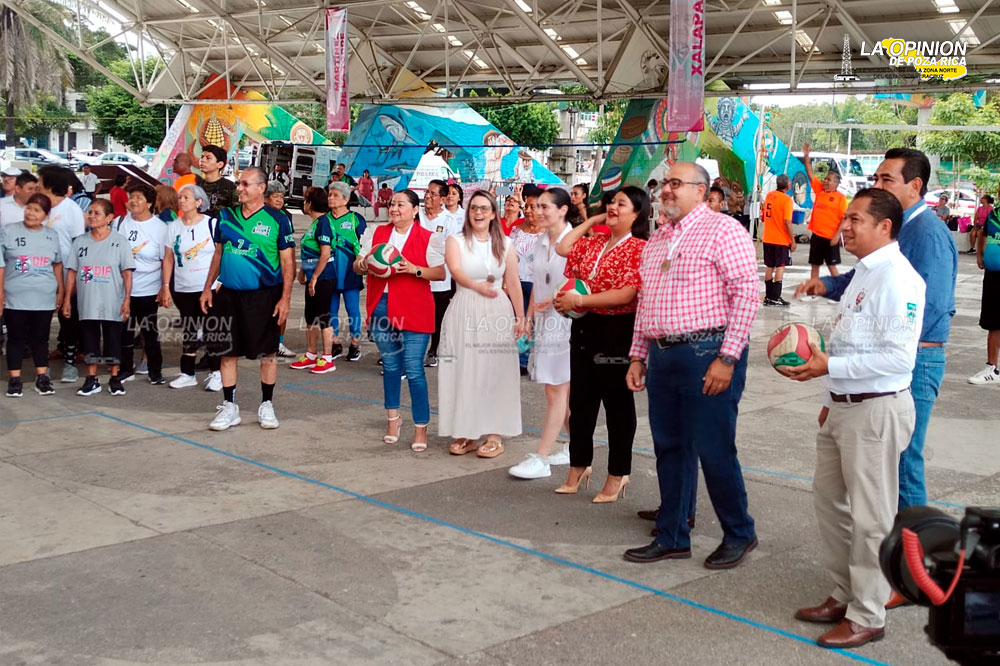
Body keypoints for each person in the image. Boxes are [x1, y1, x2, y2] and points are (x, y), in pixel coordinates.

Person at [787, 189, 924, 649]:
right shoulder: (864, 274)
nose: (845, 227)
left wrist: (832, 369)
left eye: (856, 220)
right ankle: (846, 593)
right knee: (829, 500)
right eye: (846, 218)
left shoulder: (898, 279)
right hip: (844, 405)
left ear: (885, 226)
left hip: (876, 409)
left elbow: (896, 360)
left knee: (871, 518)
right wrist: (831, 389)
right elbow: (850, 342)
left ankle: (868, 614)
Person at [795, 147, 957, 526]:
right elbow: (860, 284)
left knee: (902, 466)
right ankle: (896, 565)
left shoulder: (927, 232)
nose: (878, 185)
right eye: (876, 179)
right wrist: (827, 286)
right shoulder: (895, 239)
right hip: (878, 366)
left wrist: (862, 353)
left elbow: (927, 306)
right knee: (888, 471)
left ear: (915, 186)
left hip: (914, 359)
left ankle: (915, 566)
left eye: (887, 180)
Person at [623, 162, 758, 569]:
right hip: (664, 355)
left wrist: (727, 357)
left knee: (714, 449)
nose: (666, 190)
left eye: (676, 183)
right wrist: (638, 355)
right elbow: (646, 303)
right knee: (669, 447)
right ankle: (673, 534)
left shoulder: (724, 230)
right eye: (665, 183)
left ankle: (739, 532)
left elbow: (747, 295)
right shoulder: (658, 239)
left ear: (701, 191)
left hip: (708, 353)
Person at [554, 185, 649, 502]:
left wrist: (580, 298)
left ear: (637, 214)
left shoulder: (639, 248)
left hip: (617, 331)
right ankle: (578, 467)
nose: (614, 207)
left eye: (622, 204)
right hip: (585, 329)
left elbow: (626, 293)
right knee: (580, 403)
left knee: (618, 407)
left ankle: (617, 474)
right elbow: (563, 247)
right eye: (611, 203)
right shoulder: (594, 243)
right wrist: (592, 217)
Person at [199, 166, 295, 431]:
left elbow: (288, 262)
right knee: (227, 353)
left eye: (244, 184)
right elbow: (218, 255)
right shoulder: (226, 217)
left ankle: (266, 404)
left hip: (265, 296)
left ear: (261, 188)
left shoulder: (278, 219)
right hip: (228, 295)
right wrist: (208, 287)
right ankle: (230, 407)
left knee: (268, 352)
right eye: (239, 184)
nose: (239, 188)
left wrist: (285, 298)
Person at [354, 189, 445, 452]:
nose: (394, 209)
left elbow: (440, 273)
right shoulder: (376, 233)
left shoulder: (429, 238)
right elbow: (357, 264)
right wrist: (365, 264)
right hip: (381, 305)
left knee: (414, 369)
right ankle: (393, 420)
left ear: (415, 210)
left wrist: (413, 269)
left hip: (414, 307)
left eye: (401, 205)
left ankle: (421, 426)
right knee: (392, 366)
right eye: (392, 204)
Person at [439, 191, 526, 459]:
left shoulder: (506, 244)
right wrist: (477, 286)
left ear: (492, 213)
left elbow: (513, 282)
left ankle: (494, 433)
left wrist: (521, 318)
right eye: (474, 208)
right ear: (468, 211)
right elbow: (455, 270)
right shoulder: (455, 240)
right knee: (464, 369)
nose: (478, 213)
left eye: (484, 208)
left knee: (493, 371)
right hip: (464, 308)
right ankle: (465, 429)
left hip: (496, 310)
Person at [508, 188, 577, 479]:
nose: (538, 211)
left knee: (555, 390)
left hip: (568, 323)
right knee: (563, 392)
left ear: (563, 210)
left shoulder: (574, 241)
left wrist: (558, 298)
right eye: (536, 207)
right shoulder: (540, 242)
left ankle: (542, 457)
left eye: (545, 207)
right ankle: (577, 446)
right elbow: (539, 282)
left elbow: (582, 281)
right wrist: (527, 317)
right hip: (546, 322)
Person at [63, 199, 134, 396]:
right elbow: (71, 272)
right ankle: (92, 379)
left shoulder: (119, 242)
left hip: (112, 301)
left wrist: (127, 299)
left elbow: (127, 273)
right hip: (88, 301)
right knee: (89, 340)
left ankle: (114, 377)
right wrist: (67, 299)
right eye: (90, 212)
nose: (91, 216)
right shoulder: (80, 242)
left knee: (113, 340)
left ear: (109, 218)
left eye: (97, 213)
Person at [1, 193, 63, 397]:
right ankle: (15, 380)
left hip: (44, 297)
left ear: (45, 215)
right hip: (15, 296)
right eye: (29, 208)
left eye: (37, 210)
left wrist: (60, 290)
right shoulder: (8, 231)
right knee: (16, 338)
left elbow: (57, 264)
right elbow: (1, 266)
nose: (31, 213)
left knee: (40, 339)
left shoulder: (52, 235)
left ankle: (42, 378)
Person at [163, 184, 222, 391]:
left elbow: (220, 254)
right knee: (189, 329)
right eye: (180, 197)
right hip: (183, 286)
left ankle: (217, 373)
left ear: (199, 202)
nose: (181, 200)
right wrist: (166, 285)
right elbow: (168, 258)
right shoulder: (173, 226)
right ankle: (187, 373)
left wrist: (218, 282)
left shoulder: (212, 224)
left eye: (186, 197)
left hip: (208, 287)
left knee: (212, 328)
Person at [38, 165, 86, 384]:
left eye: (41, 181)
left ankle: (70, 362)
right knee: (42, 318)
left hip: (66, 271)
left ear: (50, 184)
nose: (37, 184)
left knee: (68, 317)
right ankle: (42, 366)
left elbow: (78, 244)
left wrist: (73, 278)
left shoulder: (71, 209)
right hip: (40, 272)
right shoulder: (39, 206)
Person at [116, 182, 168, 385]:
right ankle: (125, 368)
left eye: (138, 197)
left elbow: (166, 260)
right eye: (131, 197)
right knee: (124, 331)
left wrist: (164, 288)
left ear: (149, 203)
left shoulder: (160, 228)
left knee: (149, 331)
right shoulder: (121, 222)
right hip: (122, 288)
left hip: (148, 288)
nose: (133, 201)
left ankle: (155, 370)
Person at [289, 187, 338, 374]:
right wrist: (304, 272)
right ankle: (311, 354)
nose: (304, 204)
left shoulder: (323, 223)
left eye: (305, 200)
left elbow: (325, 253)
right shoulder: (315, 223)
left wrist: (315, 276)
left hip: (324, 277)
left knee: (323, 317)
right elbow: (311, 251)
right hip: (313, 277)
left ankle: (327, 357)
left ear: (310, 204)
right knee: (311, 316)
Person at [420, 179, 463, 367]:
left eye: (433, 194)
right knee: (416, 314)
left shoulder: (450, 221)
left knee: (438, 317)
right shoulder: (417, 215)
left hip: (440, 279)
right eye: (427, 192)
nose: (427, 196)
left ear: (443, 199)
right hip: (416, 275)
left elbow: (451, 250)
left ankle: (434, 350)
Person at [325, 181, 366, 362]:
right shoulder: (323, 220)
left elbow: (366, 245)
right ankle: (335, 343)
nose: (331, 198)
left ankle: (355, 343)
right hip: (330, 272)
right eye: (329, 195)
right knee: (331, 310)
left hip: (350, 272)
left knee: (352, 309)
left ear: (346, 199)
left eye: (335, 195)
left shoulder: (356, 219)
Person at [509, 185, 544, 374]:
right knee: (520, 321)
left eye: (533, 207)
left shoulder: (548, 232)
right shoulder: (516, 229)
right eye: (527, 207)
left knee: (536, 324)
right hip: (517, 282)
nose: (528, 210)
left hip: (538, 285)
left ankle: (536, 361)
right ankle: (520, 361)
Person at [802, 142, 847, 280]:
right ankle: (813, 291)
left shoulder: (840, 198)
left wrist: (836, 236)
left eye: (829, 180)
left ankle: (839, 292)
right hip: (817, 236)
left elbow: (844, 219)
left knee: (831, 266)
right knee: (815, 265)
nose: (825, 181)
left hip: (830, 238)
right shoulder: (820, 190)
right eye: (825, 179)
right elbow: (810, 173)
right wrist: (806, 156)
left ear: (836, 183)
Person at [969, 206, 1000, 385]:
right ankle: (992, 368)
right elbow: (982, 234)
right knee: (993, 321)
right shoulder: (994, 214)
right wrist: (980, 254)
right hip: (993, 274)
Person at [761, 175, 796, 306]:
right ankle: (776, 297)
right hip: (781, 239)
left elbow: (764, 216)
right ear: (788, 186)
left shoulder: (769, 195)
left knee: (769, 266)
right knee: (780, 267)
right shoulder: (786, 200)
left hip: (767, 237)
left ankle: (768, 297)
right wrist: (792, 240)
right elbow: (787, 222)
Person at [199, 144, 238, 218]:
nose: (202, 160)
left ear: (220, 164)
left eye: (208, 158)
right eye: (202, 157)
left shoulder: (231, 188)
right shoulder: (197, 186)